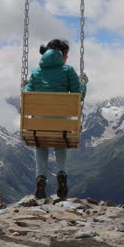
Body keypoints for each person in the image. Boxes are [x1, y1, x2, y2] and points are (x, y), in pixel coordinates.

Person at [24, 39, 88, 199]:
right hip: (62, 124)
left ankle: (40, 178)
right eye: (66, 55)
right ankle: (61, 173)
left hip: (38, 124)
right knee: (61, 139)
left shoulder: (36, 72)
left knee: (41, 143)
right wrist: (84, 82)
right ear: (61, 54)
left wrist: (24, 86)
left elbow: (27, 94)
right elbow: (78, 95)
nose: (66, 58)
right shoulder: (68, 71)